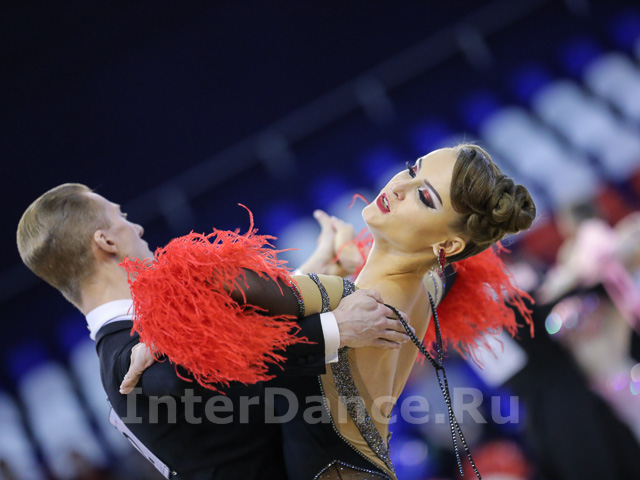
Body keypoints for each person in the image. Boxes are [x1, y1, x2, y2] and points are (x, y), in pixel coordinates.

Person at [122, 144, 536, 479]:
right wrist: (334, 264)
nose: (398, 186)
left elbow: (214, 280)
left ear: (448, 244)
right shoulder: (427, 284)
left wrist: (163, 332)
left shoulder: (354, 299)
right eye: (412, 170)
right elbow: (451, 271)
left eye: (424, 196)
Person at [16, 184, 413, 480]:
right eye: (120, 216)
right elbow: (230, 362)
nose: (135, 226)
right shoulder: (125, 358)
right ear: (105, 241)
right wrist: (336, 327)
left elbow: (231, 337)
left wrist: (315, 272)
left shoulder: (137, 337)